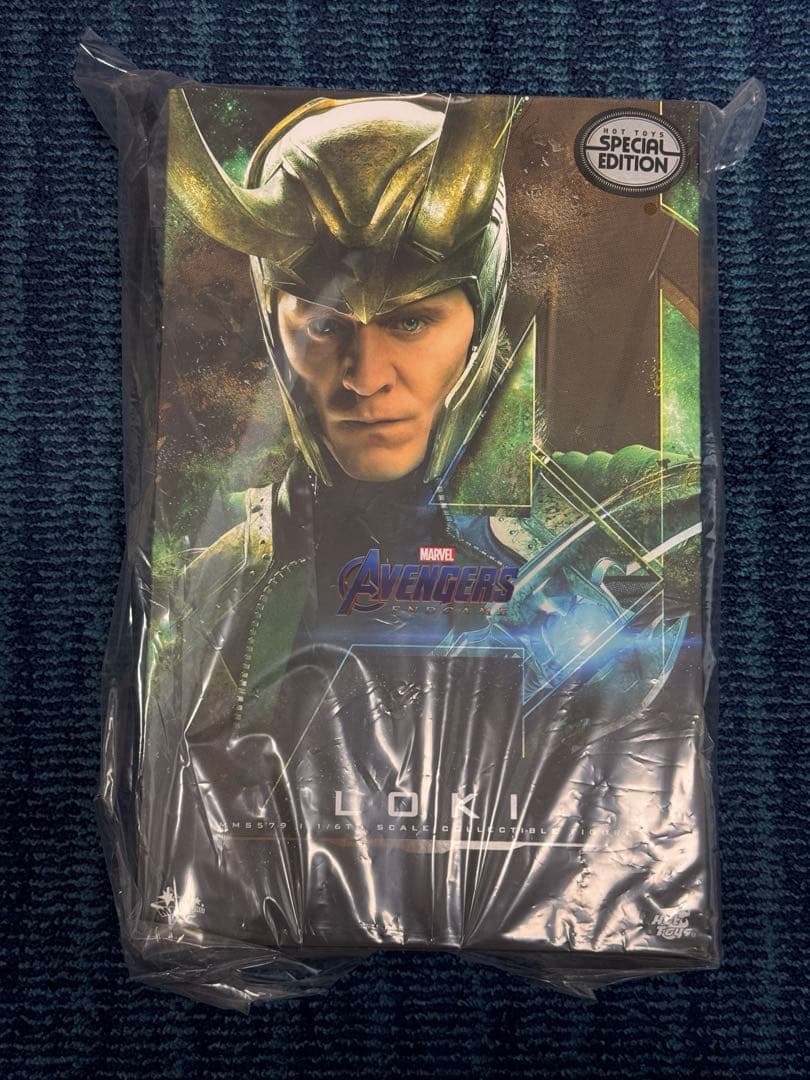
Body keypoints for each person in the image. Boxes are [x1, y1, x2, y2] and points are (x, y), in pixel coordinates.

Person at [143, 90, 709, 961]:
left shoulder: (616, 514)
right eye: (324, 323)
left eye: (412, 319)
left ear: (482, 316)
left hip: (572, 902)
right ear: (272, 319)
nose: (365, 375)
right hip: (276, 915)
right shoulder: (216, 582)